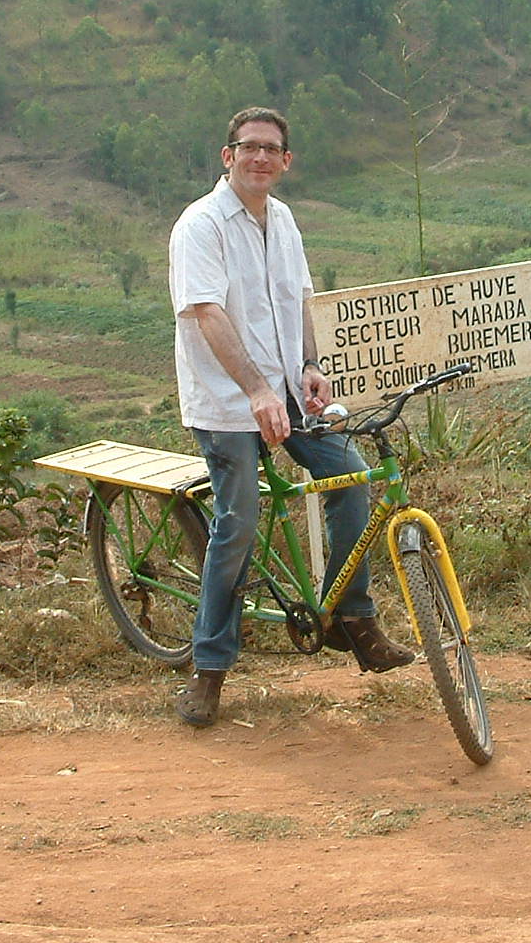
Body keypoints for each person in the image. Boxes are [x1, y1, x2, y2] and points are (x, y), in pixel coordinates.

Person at [166, 107, 415, 728]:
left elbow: (300, 299)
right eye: (248, 148)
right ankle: (210, 668)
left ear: (286, 162)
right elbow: (207, 314)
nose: (259, 158)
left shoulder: (284, 222)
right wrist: (254, 389)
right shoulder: (200, 226)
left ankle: (350, 618)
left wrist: (307, 364)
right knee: (240, 522)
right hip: (228, 405)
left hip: (287, 396)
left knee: (354, 484)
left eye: (271, 150)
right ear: (228, 157)